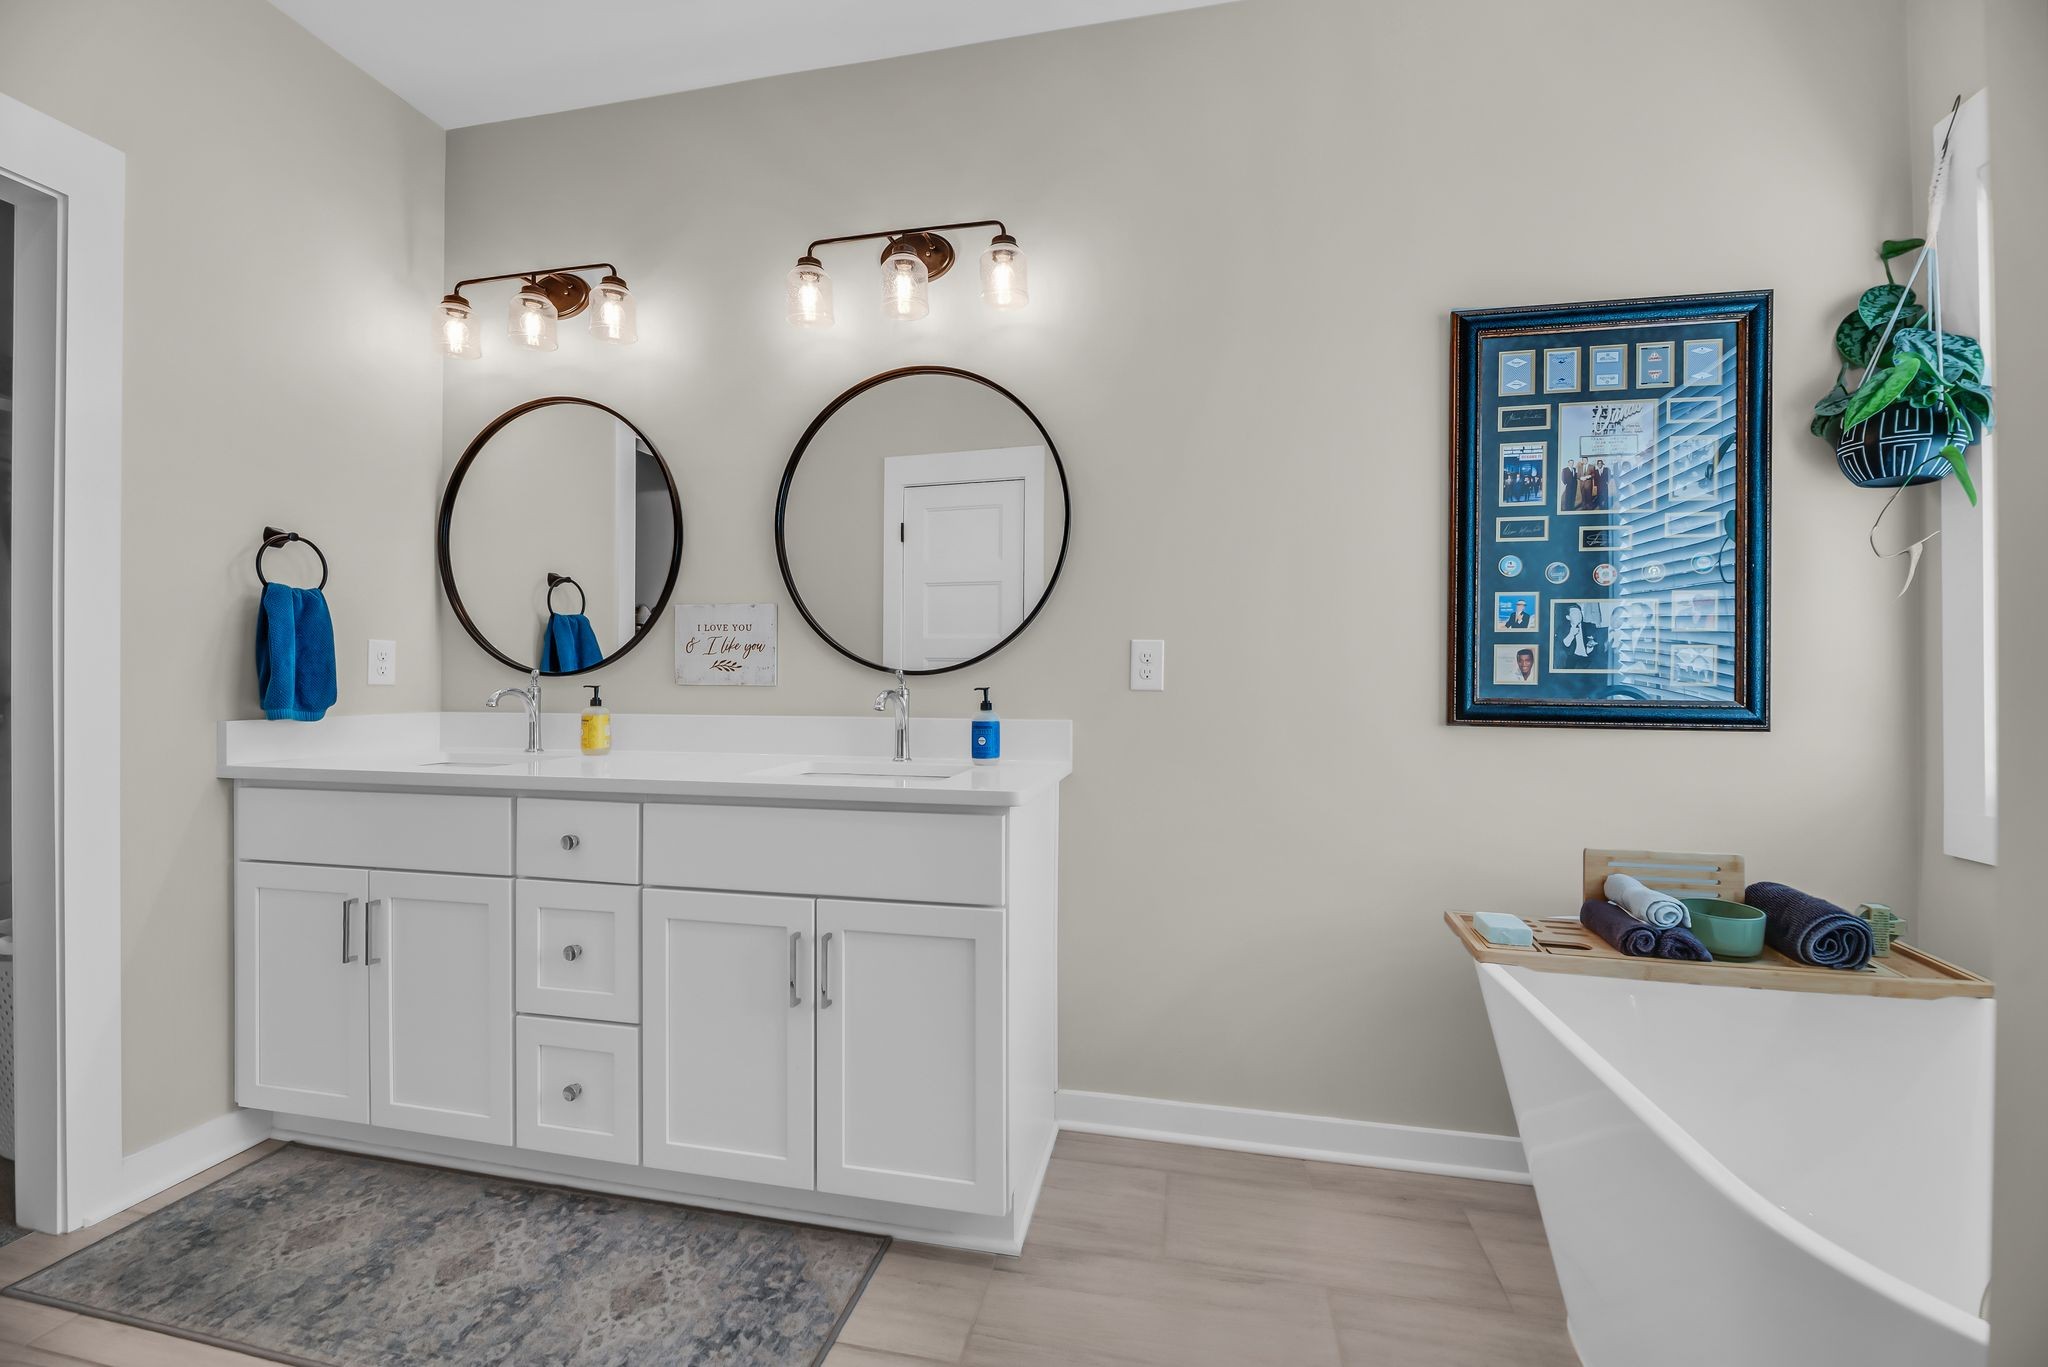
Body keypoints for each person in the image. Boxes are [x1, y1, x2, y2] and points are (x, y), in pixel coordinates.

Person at [1558, 603, 1606, 669]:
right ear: (1568, 617)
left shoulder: (1590, 626)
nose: (1578, 615)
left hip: (1589, 659)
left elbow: (1597, 645)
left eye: (1579, 612)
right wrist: (1571, 634)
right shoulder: (1563, 629)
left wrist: (1590, 647)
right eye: (1574, 613)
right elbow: (1564, 646)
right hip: (1573, 660)